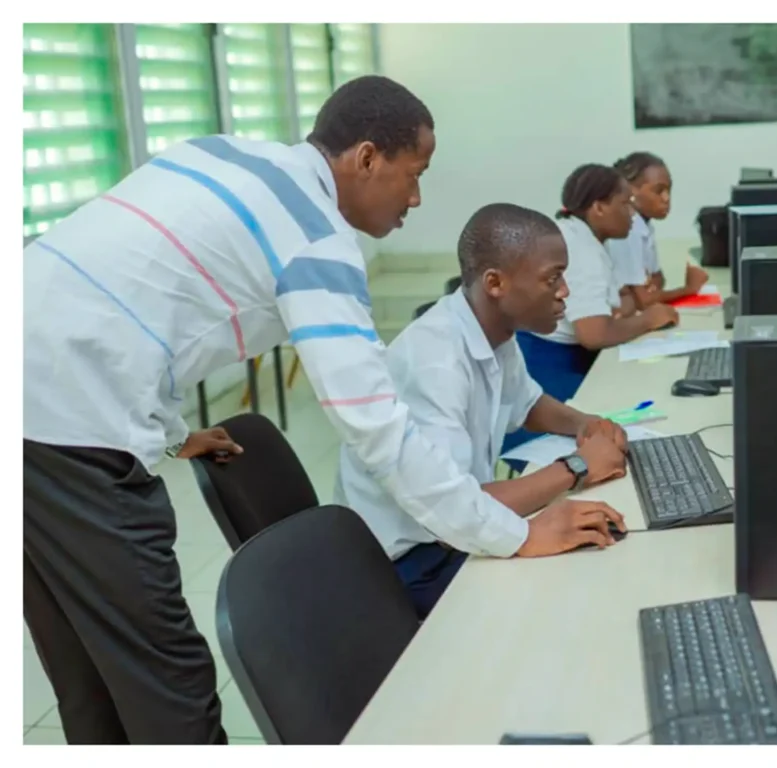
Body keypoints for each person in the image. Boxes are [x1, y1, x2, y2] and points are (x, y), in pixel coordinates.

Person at [23, 75, 623, 745]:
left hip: (31, 391)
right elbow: (377, 428)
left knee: (85, 670)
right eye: (414, 174)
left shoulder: (223, 152)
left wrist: (169, 431)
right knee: (168, 676)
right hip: (64, 422)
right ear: (366, 158)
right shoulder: (315, 237)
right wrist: (518, 536)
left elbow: (127, 302)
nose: (416, 198)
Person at [335, 203, 631, 618]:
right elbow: (453, 509)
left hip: (454, 528)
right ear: (495, 283)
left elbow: (527, 402)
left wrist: (586, 424)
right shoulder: (435, 364)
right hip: (411, 563)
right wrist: (578, 467)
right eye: (553, 278)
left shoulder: (494, 329)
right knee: (565, 599)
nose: (565, 291)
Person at [514, 164, 679, 407]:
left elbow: (620, 305)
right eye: (625, 204)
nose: (632, 214)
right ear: (599, 207)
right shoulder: (581, 251)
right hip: (547, 367)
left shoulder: (581, 236)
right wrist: (648, 319)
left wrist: (615, 318)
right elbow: (594, 334)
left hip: (555, 356)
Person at [607, 152, 710, 309]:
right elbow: (644, 301)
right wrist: (689, 289)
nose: (666, 198)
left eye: (669, 190)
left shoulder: (645, 225)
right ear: (631, 191)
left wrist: (646, 288)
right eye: (658, 191)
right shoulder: (627, 230)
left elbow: (659, 279)